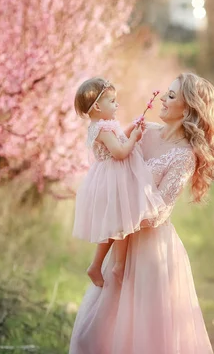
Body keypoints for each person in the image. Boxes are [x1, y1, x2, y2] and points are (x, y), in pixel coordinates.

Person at [69, 73, 214, 354]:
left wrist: (124, 209)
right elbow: (114, 165)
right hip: (120, 240)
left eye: (171, 96)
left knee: (144, 338)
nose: (162, 98)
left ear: (187, 108)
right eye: (166, 93)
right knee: (91, 336)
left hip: (151, 251)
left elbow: (159, 212)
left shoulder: (184, 155)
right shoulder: (144, 132)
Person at [73, 77, 166, 287]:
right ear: (97, 106)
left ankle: (117, 265)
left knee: (122, 220)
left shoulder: (102, 126)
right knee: (121, 220)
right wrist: (134, 138)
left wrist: (129, 131)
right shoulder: (102, 130)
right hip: (114, 179)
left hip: (115, 178)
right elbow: (120, 152)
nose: (117, 105)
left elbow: (117, 141)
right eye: (112, 101)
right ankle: (103, 265)